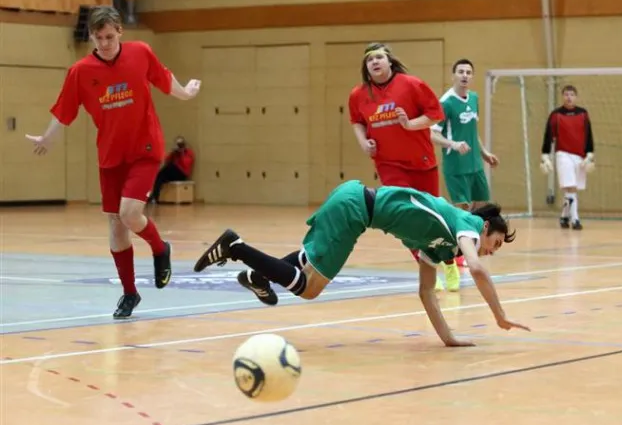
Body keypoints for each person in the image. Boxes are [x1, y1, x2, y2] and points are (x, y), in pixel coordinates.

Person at [193, 180, 530, 347]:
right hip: (354, 210)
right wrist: (500, 316)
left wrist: (448, 338)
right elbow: (476, 268)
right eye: (496, 243)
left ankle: (259, 276)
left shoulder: (440, 246)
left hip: (353, 204)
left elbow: (427, 292)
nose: (491, 250)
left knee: (306, 267)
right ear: (486, 228)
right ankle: (236, 247)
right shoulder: (468, 224)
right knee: (309, 288)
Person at [25, 5, 201, 319]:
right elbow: (64, 111)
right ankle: (130, 293)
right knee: (116, 226)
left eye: (109, 36)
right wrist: (47, 137)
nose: (105, 43)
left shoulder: (140, 53)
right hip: (110, 155)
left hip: (145, 148)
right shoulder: (80, 71)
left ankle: (160, 248)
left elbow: (164, 78)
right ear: (91, 37)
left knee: (129, 213)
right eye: (99, 38)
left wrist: (185, 93)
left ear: (119, 31)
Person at [348, 42, 470, 292]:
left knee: (433, 218)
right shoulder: (358, 94)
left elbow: (435, 115)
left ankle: (449, 262)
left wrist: (410, 124)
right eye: (370, 59)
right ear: (365, 66)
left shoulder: (412, 84)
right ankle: (427, 269)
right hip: (389, 165)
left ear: (389, 61)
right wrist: (363, 142)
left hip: (422, 163)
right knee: (405, 219)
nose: (375, 62)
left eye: (379, 57)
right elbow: (357, 121)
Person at [431, 59, 499, 289]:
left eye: (469, 72)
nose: (464, 75)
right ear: (453, 75)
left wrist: (484, 153)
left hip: (475, 165)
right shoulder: (446, 102)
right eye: (460, 71)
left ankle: (473, 248)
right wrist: (453, 143)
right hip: (456, 166)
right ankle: (456, 255)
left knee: (481, 208)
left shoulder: (474, 99)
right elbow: (432, 134)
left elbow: (472, 131)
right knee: (461, 211)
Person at [540, 85, 595, 230]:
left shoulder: (583, 114)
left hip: (580, 156)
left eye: (571, 94)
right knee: (570, 186)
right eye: (566, 94)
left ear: (576, 97)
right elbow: (548, 135)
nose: (569, 97)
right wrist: (545, 155)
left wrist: (590, 154)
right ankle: (575, 219)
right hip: (563, 154)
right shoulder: (556, 115)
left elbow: (588, 134)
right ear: (562, 96)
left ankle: (564, 216)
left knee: (572, 189)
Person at [148, 135, 195, 204]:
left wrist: (181, 153)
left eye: (181, 145)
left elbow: (186, 164)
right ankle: (155, 197)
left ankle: (154, 197)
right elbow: (166, 160)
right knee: (160, 176)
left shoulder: (189, 153)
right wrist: (172, 152)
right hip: (173, 173)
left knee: (169, 167)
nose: (179, 147)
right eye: (178, 145)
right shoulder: (175, 153)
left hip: (182, 173)